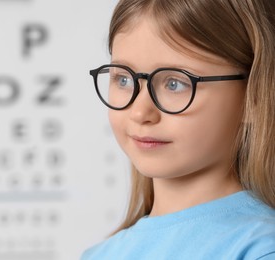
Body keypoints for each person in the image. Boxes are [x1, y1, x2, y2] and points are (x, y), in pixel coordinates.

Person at [81, 0, 275, 259]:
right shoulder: (98, 255)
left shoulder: (260, 248)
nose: (140, 112)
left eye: (175, 83)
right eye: (124, 79)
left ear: (255, 95)